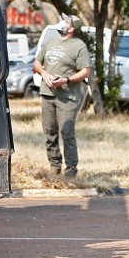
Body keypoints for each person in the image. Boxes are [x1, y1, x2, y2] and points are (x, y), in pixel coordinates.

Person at [33, 14, 91, 178]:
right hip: (47, 93)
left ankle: (71, 170)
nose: (61, 22)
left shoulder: (79, 46)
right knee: (49, 131)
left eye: (65, 21)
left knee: (67, 132)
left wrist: (66, 80)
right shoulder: (51, 42)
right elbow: (37, 63)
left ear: (71, 28)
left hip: (67, 96)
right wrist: (44, 74)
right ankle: (54, 166)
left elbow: (86, 71)